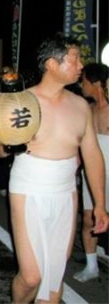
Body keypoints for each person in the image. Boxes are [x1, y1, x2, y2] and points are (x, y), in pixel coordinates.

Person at [0, 37, 108, 302]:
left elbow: (92, 155)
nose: (81, 65)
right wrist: (12, 143)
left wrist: (100, 204)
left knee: (54, 276)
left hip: (66, 192)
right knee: (32, 276)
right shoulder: (22, 100)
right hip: (28, 188)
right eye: (74, 58)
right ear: (52, 64)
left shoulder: (80, 106)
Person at [73, 62, 109, 283]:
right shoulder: (87, 109)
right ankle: (91, 264)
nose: (81, 85)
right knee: (88, 218)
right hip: (91, 172)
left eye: (84, 80)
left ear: (95, 82)